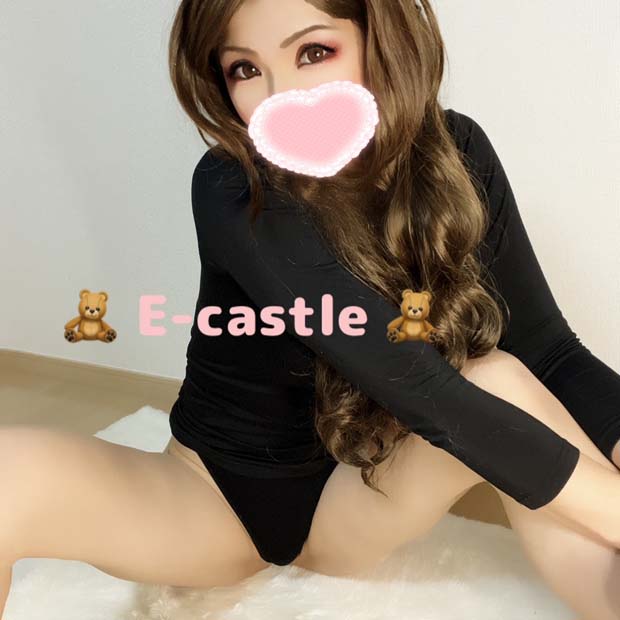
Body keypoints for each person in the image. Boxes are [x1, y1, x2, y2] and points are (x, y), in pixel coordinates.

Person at [1, 1, 619, 619]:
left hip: (360, 491)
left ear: (380, 38)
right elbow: (417, 386)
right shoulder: (233, 186)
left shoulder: (456, 152)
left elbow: (550, 351)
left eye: (314, 53)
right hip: (217, 502)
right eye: (245, 69)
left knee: (500, 376)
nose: (281, 99)